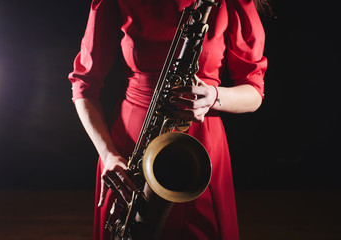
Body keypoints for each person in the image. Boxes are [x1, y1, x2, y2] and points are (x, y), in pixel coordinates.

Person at [68, 0, 268, 239]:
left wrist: (214, 96)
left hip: (200, 149)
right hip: (129, 151)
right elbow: (84, 87)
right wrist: (108, 155)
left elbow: (254, 92)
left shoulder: (231, 3)